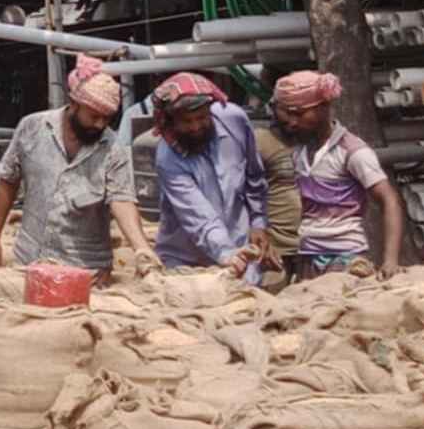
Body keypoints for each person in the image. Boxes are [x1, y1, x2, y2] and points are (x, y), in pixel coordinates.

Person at [0, 55, 159, 283]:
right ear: (74, 103)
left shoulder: (113, 148)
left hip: (87, 271)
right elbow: (8, 181)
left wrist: (142, 249)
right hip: (30, 261)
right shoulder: (32, 128)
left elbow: (122, 200)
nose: (100, 124)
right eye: (94, 116)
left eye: (107, 118)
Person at [272, 71, 404, 279]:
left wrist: (390, 260)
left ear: (323, 108)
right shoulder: (300, 152)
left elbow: (389, 200)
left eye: (298, 114)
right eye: (287, 115)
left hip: (345, 257)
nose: (292, 122)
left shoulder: (353, 152)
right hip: (308, 255)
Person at [150, 74, 270, 283]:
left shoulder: (234, 120)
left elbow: (255, 176)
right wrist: (227, 254)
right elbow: (200, 219)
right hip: (186, 263)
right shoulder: (167, 157)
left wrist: (258, 222)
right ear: (171, 122)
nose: (196, 127)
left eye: (202, 118)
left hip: (240, 249)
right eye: (187, 122)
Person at [252, 120, 304, 289]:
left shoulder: (316, 139)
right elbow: (241, 190)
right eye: (286, 110)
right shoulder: (260, 140)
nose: (292, 117)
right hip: (274, 248)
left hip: (313, 245)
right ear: (274, 106)